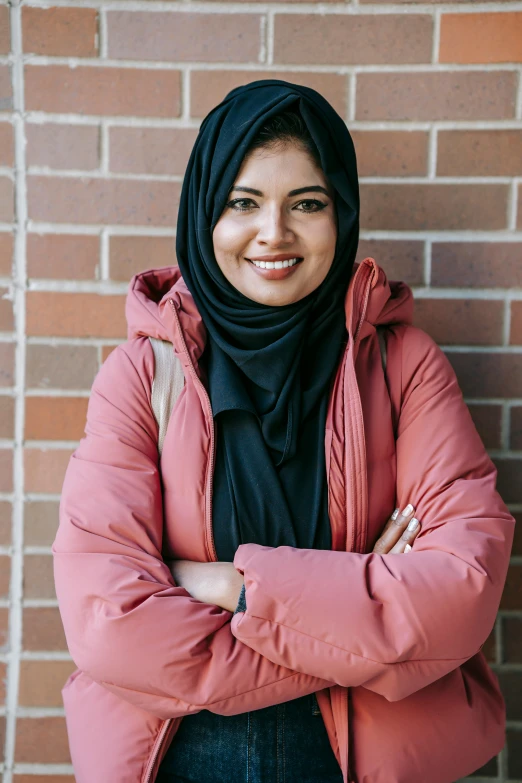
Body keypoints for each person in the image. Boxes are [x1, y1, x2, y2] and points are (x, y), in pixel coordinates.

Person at [53, 80, 514, 783]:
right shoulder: (142, 376)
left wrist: (232, 588)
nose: (275, 232)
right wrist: (357, 616)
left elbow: (459, 590)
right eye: (244, 203)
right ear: (206, 211)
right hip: (179, 752)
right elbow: (110, 624)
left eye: (307, 203)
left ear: (342, 214)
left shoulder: (403, 366)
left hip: (362, 755)